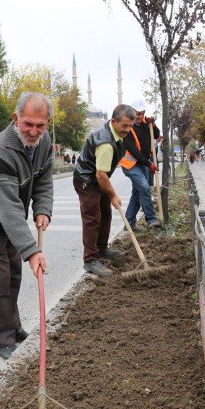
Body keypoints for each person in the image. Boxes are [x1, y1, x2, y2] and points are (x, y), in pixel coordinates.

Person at [0, 91, 54, 360]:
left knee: (13, 276)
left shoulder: (44, 142)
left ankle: (13, 327)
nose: (33, 131)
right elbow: (7, 209)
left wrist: (42, 209)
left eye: (40, 125)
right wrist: (31, 250)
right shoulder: (1, 151)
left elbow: (44, 181)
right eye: (28, 124)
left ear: (47, 124)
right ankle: (1, 340)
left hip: (10, 221)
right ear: (15, 118)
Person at [73, 104, 136, 277]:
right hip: (87, 180)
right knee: (92, 219)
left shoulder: (116, 133)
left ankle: (101, 250)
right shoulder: (106, 143)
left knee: (105, 215)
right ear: (113, 121)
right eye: (124, 125)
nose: (127, 130)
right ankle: (91, 260)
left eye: (130, 126)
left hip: (97, 178)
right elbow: (101, 175)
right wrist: (113, 195)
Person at [121, 99, 161, 231]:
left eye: (142, 113)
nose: (140, 116)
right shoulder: (127, 127)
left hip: (143, 163)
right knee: (144, 187)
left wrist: (153, 124)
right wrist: (149, 163)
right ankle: (151, 219)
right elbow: (134, 151)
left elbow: (156, 135)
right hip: (131, 165)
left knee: (138, 193)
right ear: (132, 112)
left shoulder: (145, 123)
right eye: (138, 113)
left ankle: (130, 223)